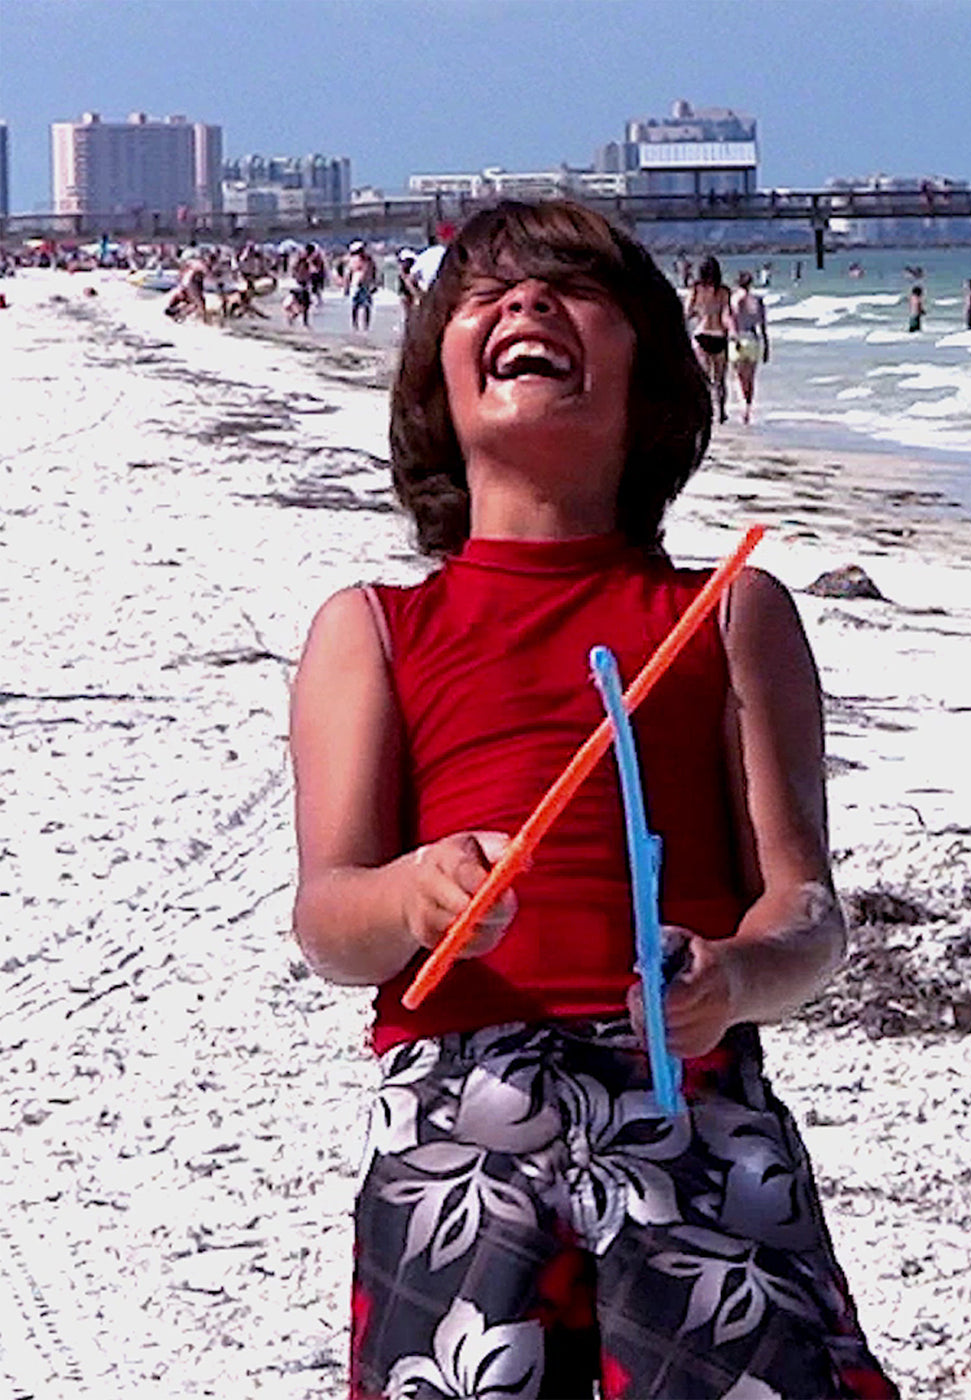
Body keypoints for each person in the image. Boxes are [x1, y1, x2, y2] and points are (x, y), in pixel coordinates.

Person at [290, 199, 898, 1400]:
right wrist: (415, 892)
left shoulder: (729, 611)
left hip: (693, 1105)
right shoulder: (372, 629)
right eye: (483, 294)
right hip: (458, 1119)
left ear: (654, 381)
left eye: (571, 289)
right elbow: (327, 921)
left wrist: (734, 979)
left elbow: (806, 908)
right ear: (434, 390)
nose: (521, 304)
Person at [685, 254, 732, 424]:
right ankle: (721, 412)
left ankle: (705, 412)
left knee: (703, 378)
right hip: (719, 336)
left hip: (701, 334)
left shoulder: (696, 289)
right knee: (720, 380)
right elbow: (727, 313)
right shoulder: (724, 290)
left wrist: (698, 312)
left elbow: (687, 311)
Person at [729, 269, 769, 425]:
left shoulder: (733, 299)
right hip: (753, 339)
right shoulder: (758, 301)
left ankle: (743, 407)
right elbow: (763, 326)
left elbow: (731, 322)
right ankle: (748, 408)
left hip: (738, 339)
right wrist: (766, 346)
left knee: (739, 379)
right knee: (750, 379)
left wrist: (734, 339)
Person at [344, 240, 380, 331]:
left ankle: (366, 327)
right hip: (356, 285)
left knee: (367, 306)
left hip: (366, 285)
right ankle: (355, 326)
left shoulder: (369, 260)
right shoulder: (353, 260)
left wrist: (375, 283)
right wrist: (346, 287)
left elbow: (374, 271)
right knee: (355, 306)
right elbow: (348, 274)